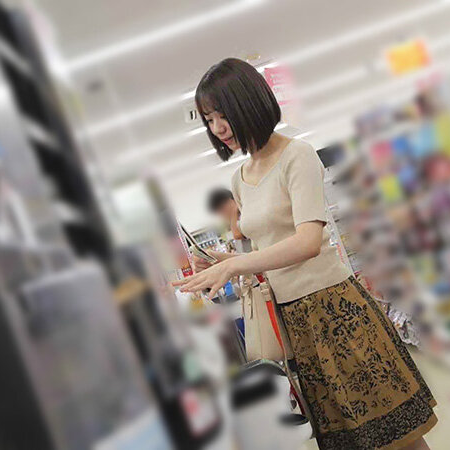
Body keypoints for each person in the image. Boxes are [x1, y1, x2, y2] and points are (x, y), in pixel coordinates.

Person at [173, 58, 436, 450]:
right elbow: (265, 252)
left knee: (394, 431)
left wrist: (236, 264)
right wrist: (219, 265)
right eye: (209, 120)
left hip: (333, 309)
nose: (218, 128)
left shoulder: (297, 155)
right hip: (292, 322)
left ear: (250, 104)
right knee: (350, 438)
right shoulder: (239, 179)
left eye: (223, 115)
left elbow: (307, 241)